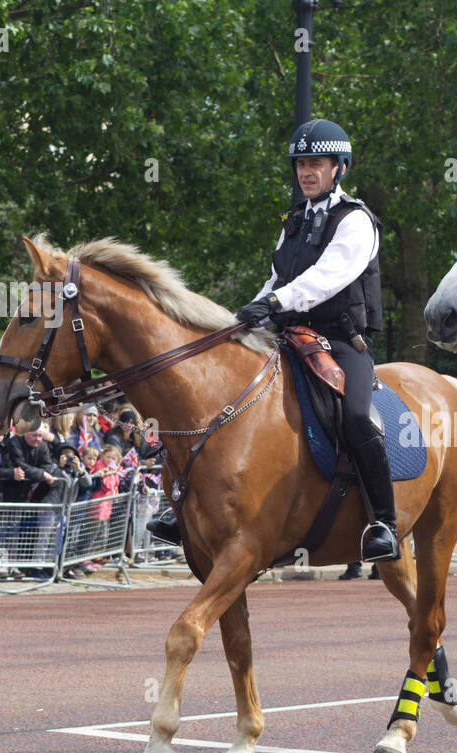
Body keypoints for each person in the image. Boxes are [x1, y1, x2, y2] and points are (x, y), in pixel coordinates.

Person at [147, 118, 396, 562]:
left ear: (340, 167)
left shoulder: (356, 220)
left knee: (357, 417)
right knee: (213, 395)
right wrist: (246, 313)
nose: (306, 172)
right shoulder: (294, 220)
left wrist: (275, 302)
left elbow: (328, 277)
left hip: (340, 343)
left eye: (316, 163)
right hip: (288, 337)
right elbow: (277, 278)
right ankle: (180, 506)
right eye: (301, 164)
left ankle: (383, 521)